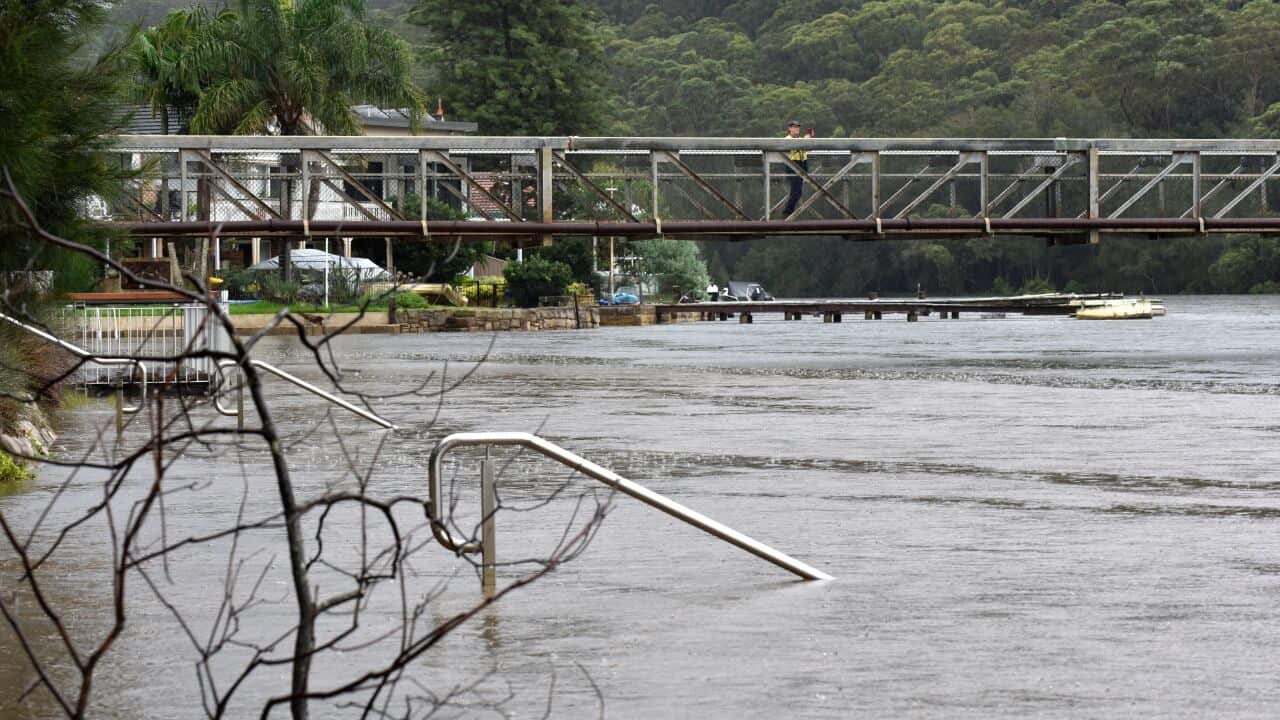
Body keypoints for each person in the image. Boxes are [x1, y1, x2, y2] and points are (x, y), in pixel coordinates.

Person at [783, 120, 813, 216]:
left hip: (802, 166)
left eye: (798, 127)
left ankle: (788, 213)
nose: (797, 129)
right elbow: (792, 147)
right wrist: (804, 140)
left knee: (798, 192)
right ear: (789, 128)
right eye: (794, 127)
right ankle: (787, 213)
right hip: (793, 167)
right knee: (795, 192)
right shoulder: (787, 139)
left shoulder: (801, 139)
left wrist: (809, 141)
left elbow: (808, 149)